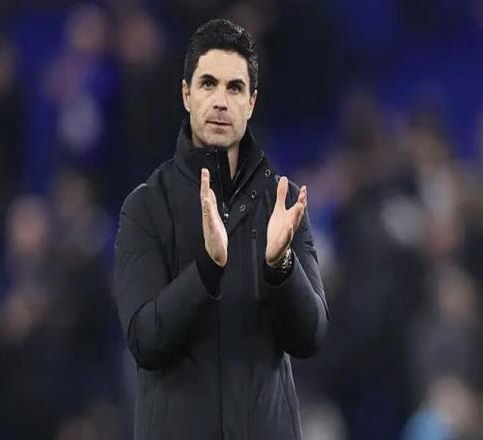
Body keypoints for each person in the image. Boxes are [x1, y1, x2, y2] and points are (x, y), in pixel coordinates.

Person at [114, 18, 330, 440]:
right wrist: (207, 270)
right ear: (186, 94)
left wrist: (281, 266)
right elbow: (145, 340)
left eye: (234, 88)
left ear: (251, 103)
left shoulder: (281, 202)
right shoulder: (145, 208)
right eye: (208, 84)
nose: (219, 101)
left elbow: (311, 337)